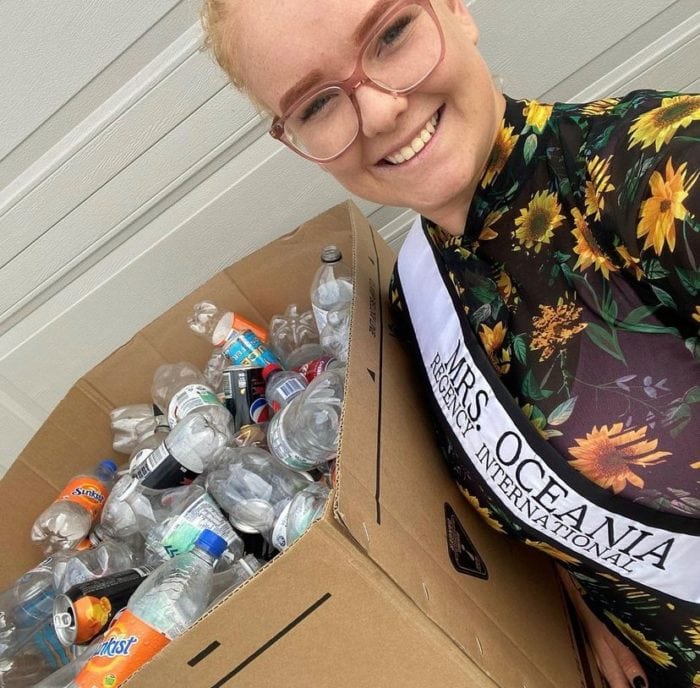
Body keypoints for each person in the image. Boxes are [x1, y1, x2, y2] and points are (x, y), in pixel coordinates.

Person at [200, 1, 700, 686]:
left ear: (455, 9)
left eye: (391, 34)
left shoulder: (662, 170)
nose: (378, 113)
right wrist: (588, 609)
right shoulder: (418, 298)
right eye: (317, 106)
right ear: (293, 141)